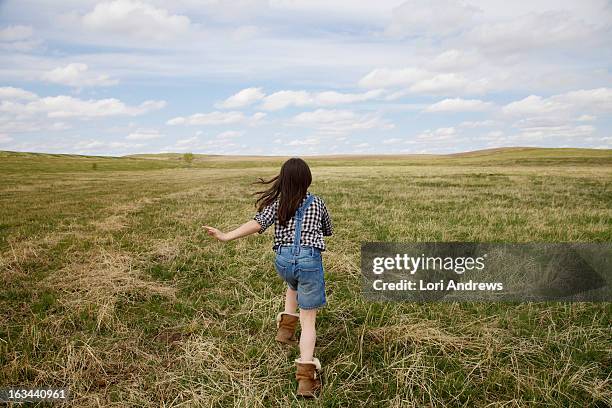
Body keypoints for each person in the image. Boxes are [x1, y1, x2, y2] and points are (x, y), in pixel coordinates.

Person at [203, 157, 333, 398]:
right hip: (309, 261)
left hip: (283, 261)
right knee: (309, 321)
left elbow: (257, 223)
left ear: (283, 179)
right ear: (307, 180)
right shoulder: (318, 203)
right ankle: (306, 378)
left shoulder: (277, 203)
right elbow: (328, 229)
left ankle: (285, 332)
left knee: (292, 284)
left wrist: (226, 236)